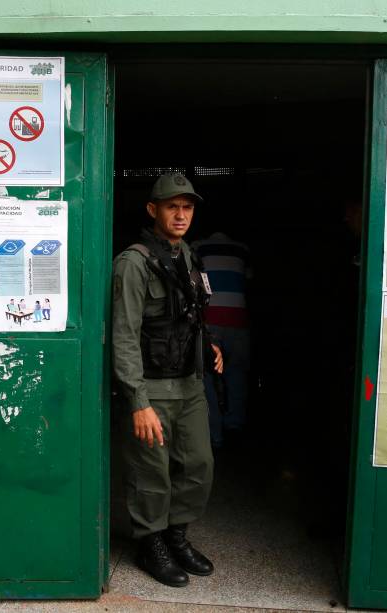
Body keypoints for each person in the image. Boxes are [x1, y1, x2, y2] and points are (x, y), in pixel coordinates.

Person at [112, 172, 223, 588]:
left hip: (189, 384)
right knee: (151, 473)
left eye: (188, 207)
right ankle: (151, 543)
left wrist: (208, 344)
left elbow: (189, 313)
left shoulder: (188, 256)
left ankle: (177, 537)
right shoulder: (134, 261)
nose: (181, 215)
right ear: (152, 210)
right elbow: (123, 335)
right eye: (173, 206)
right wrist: (137, 401)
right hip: (152, 386)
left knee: (199, 465)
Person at [192, 230, 252, 449]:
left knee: (207, 377)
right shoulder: (242, 250)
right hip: (238, 321)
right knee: (236, 373)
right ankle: (234, 424)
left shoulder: (198, 246)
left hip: (211, 320)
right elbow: (249, 279)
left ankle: (214, 434)